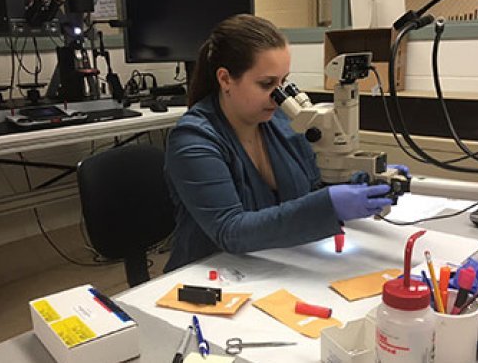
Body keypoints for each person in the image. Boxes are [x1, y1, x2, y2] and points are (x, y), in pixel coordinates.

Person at [163, 14, 402, 272]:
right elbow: (230, 230)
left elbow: (310, 189)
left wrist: (356, 183)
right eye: (267, 84)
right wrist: (329, 205)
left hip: (279, 263)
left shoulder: (280, 122)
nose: (279, 97)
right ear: (225, 79)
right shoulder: (193, 140)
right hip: (211, 273)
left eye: (283, 82)